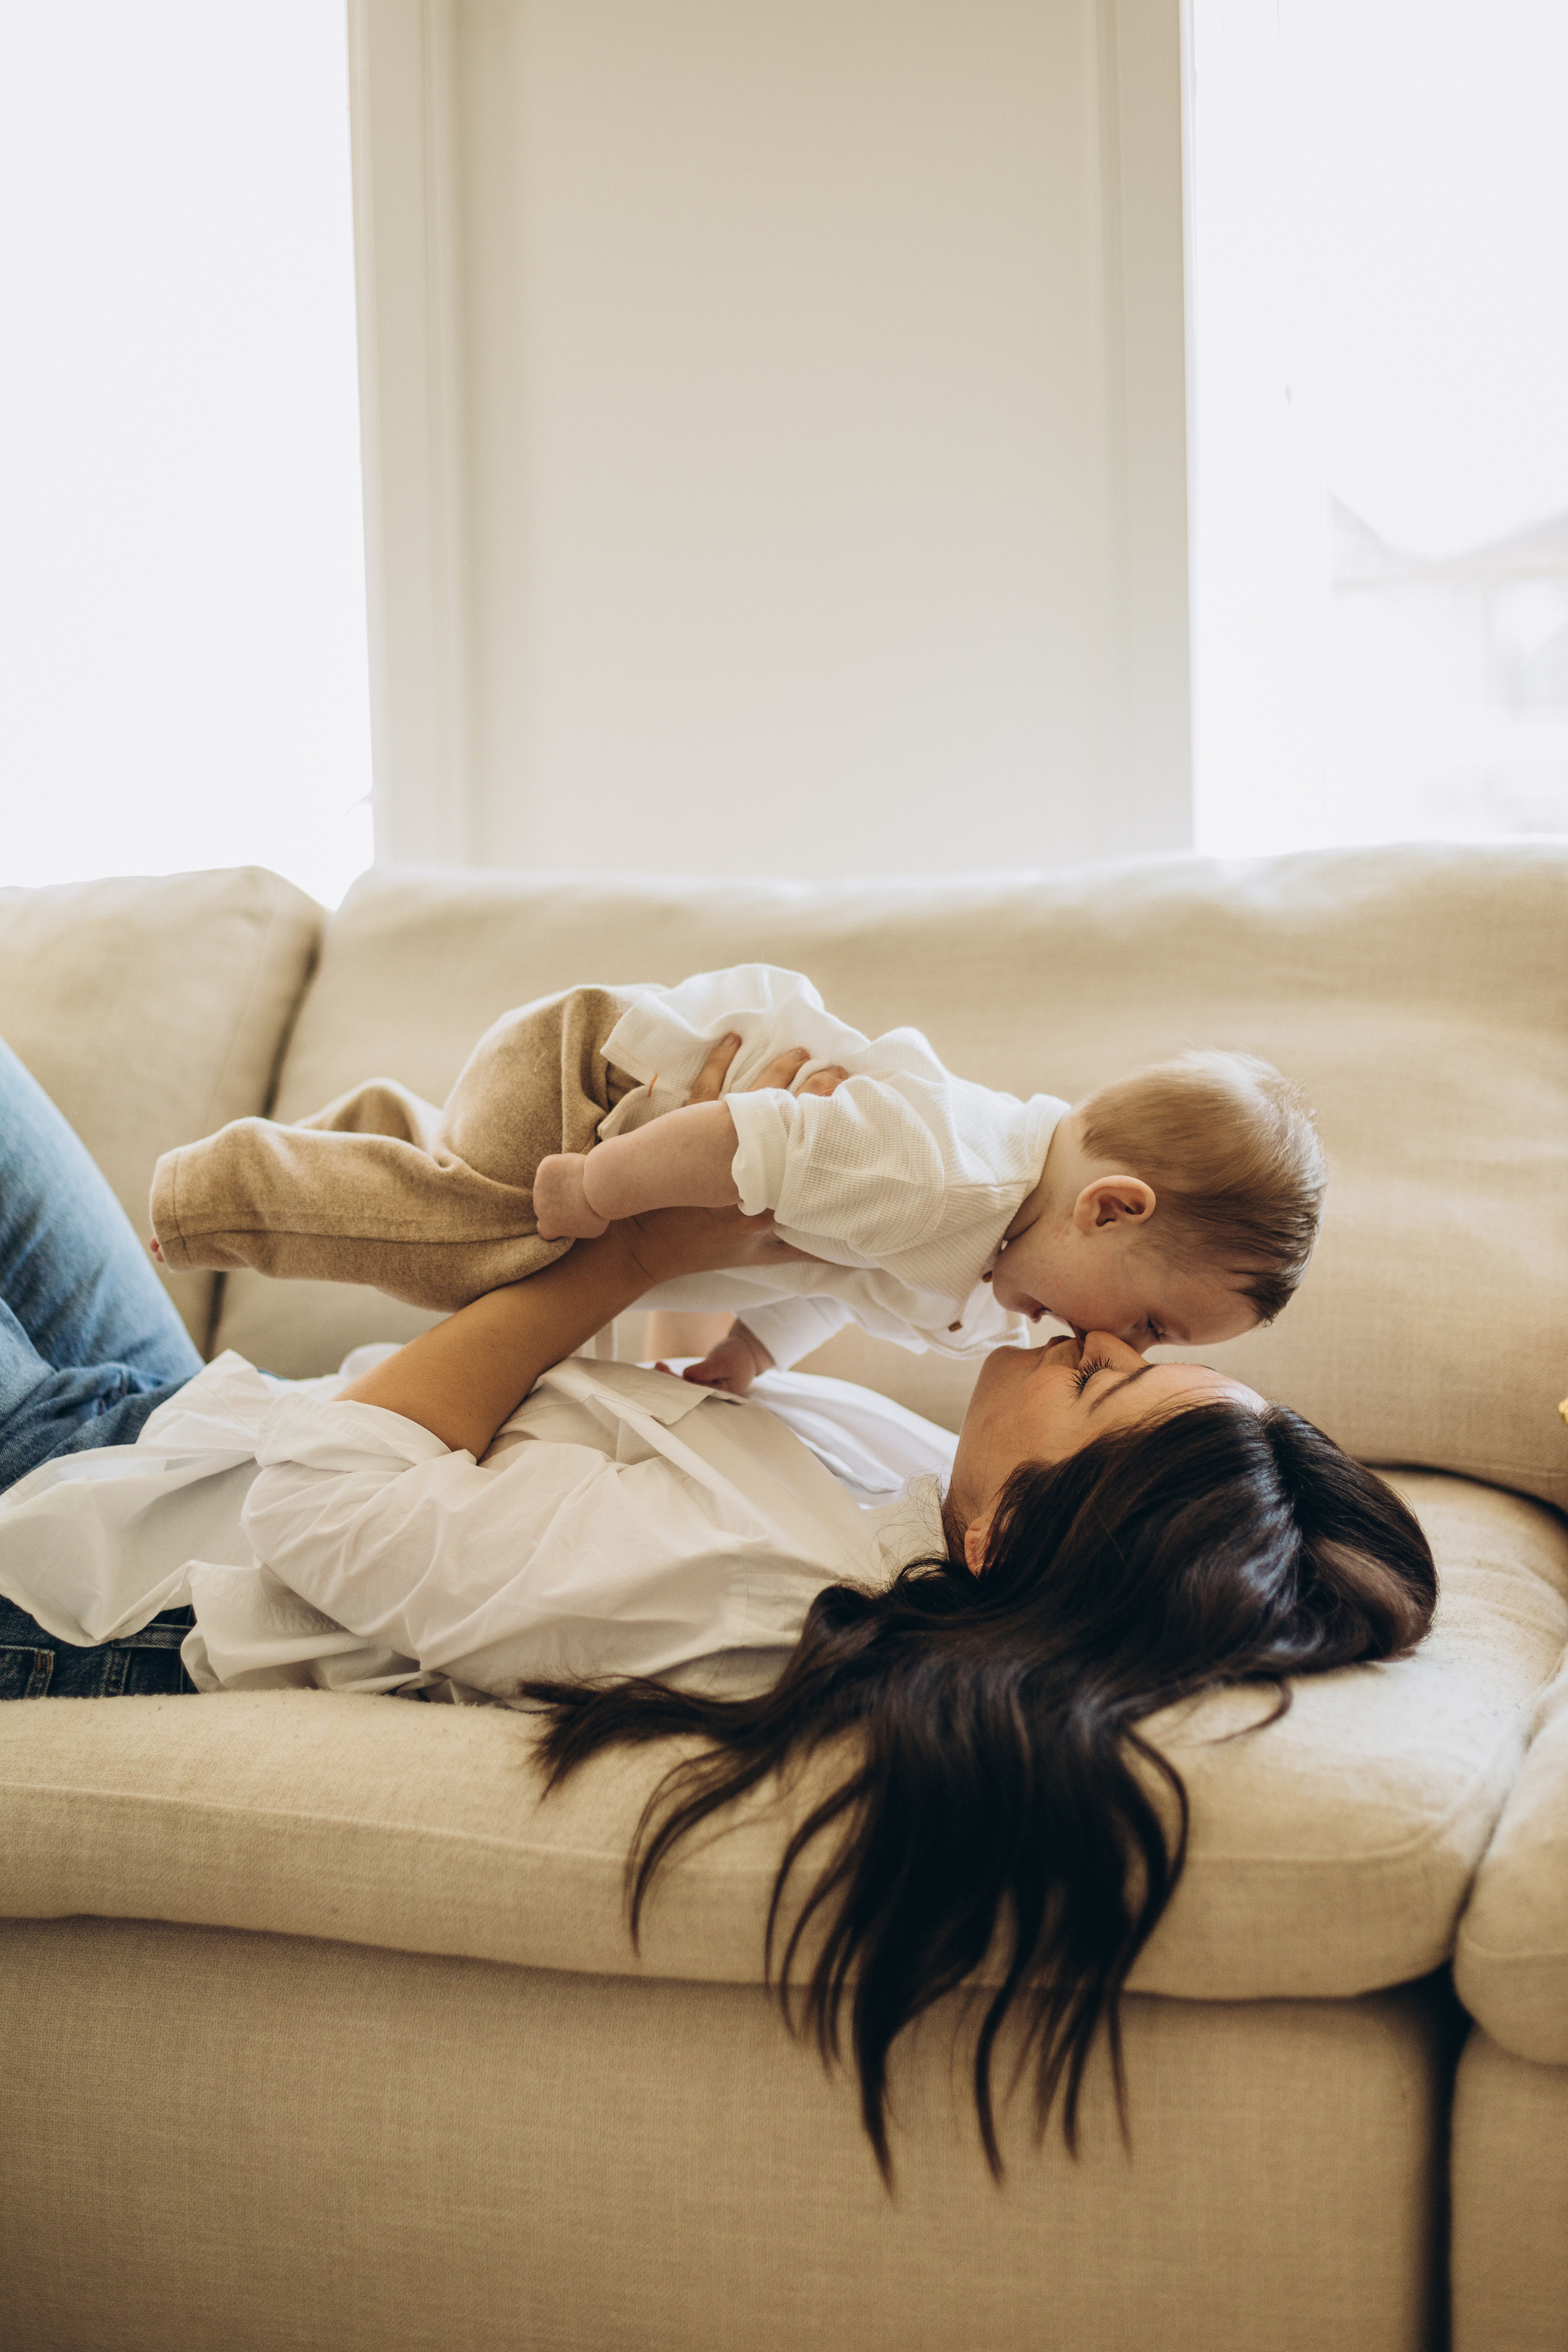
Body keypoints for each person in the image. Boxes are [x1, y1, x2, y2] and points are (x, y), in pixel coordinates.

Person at [0, 1035, 1433, 2172]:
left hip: (93, 1558)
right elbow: (635, 1416)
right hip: (183, 1427)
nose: (1094, 1335)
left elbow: (325, 1505)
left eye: (1109, 1373)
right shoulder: (920, 1492)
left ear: (1010, 1538)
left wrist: (630, 1251)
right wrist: (752, 1218)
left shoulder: (759, 1593)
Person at [147, 962, 1325, 1394]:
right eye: (1156, 1322)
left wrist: (752, 1354)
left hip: (589, 1103)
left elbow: (834, 1273)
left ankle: (390, 1137)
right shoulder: (944, 1174)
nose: (1124, 1353)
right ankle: (222, 1194)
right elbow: (742, 1143)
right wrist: (595, 1196)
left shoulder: (991, 1254)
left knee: (461, 1192)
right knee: (492, 1249)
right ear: (1110, 1206)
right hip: (593, 1082)